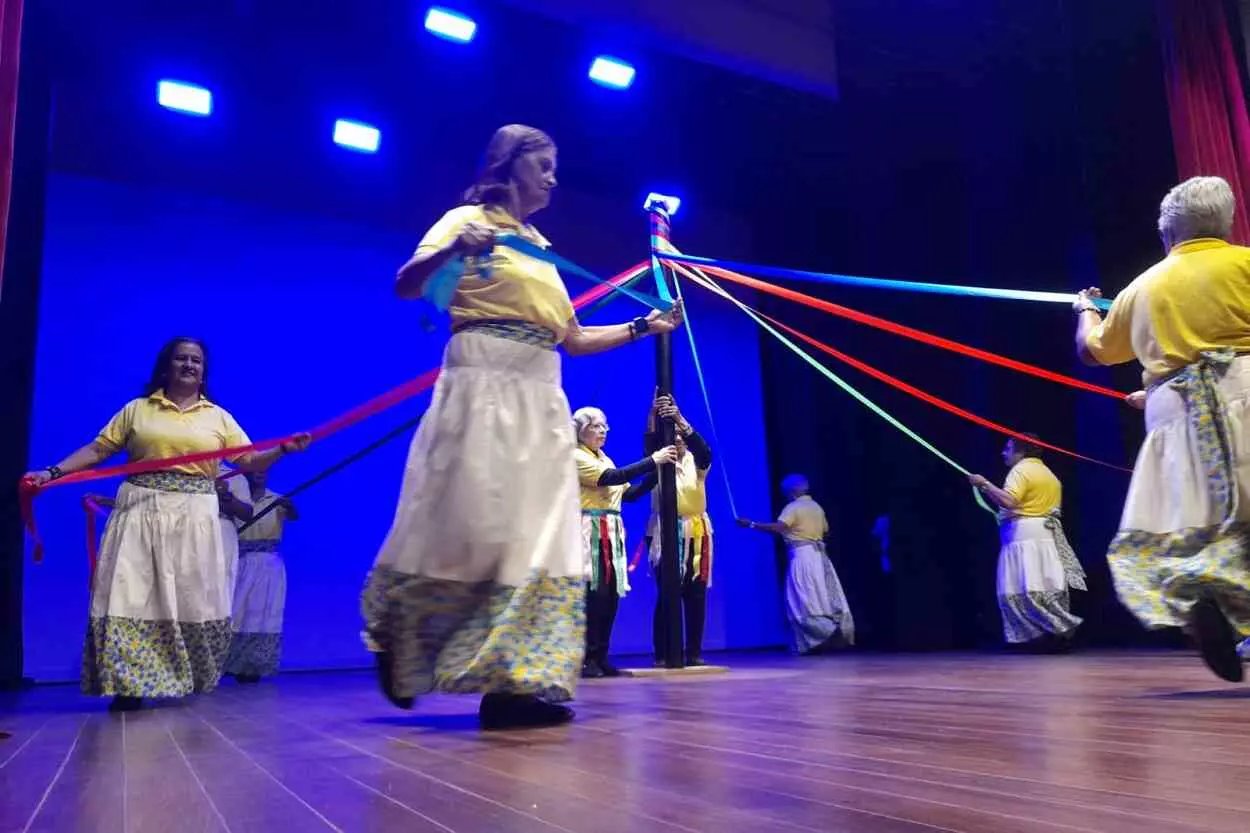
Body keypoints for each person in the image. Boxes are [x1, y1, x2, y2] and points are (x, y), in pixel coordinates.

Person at [361, 124, 684, 729]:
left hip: (542, 393)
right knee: (471, 522)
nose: (554, 178)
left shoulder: (537, 245)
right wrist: (457, 251)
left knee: (535, 538)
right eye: (545, 165)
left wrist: (646, 326)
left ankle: (512, 687)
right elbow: (408, 283)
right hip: (484, 380)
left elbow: (576, 337)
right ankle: (401, 638)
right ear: (510, 167)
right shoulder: (465, 221)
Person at [23, 337, 309, 711]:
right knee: (131, 591)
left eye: (196, 360)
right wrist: (52, 472)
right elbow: (98, 449)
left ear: (204, 371)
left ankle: (177, 676)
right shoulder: (138, 410)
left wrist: (282, 449)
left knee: (189, 596)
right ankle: (128, 685)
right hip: (142, 506)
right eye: (181, 358)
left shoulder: (217, 417)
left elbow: (250, 460)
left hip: (195, 515)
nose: (189, 365)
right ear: (166, 366)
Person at [1074, 175, 1250, 681]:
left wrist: (1085, 309)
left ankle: (1200, 597)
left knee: (1189, 524)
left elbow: (1094, 351)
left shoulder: (1144, 285)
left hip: (1175, 412)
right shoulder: (1243, 264)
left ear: (1168, 235)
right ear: (1226, 224)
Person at [574, 407, 676, 678]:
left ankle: (602, 656)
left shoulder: (604, 457)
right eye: (597, 426)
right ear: (581, 431)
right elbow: (611, 478)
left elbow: (630, 494)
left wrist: (660, 471)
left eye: (604, 426)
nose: (603, 431)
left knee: (609, 596)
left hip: (611, 530)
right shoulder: (575, 456)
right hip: (590, 529)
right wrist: (653, 460)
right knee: (595, 595)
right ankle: (588, 659)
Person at [969, 436, 1085, 650]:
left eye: (1008, 448)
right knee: (1046, 584)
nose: (1004, 453)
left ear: (1021, 452)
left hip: (1025, 535)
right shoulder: (1048, 473)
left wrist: (984, 484)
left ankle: (1038, 636)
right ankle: (1055, 633)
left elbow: (1010, 501)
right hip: (1046, 535)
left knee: (1022, 586)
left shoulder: (1021, 470)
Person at [738, 475, 854, 654]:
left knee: (802, 599)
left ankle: (819, 636)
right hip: (820, 558)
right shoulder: (816, 507)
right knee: (821, 596)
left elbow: (779, 527)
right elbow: (826, 531)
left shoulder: (793, 508)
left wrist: (751, 524)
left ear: (790, 491)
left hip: (803, 557)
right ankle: (820, 639)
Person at [644, 393, 714, 666]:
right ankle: (663, 653)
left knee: (696, 593)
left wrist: (679, 418)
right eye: (674, 436)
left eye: (682, 437)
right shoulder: (660, 462)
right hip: (666, 530)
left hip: (696, 530)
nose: (679, 441)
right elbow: (649, 445)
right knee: (668, 592)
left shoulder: (696, 464)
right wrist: (653, 416)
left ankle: (694, 652)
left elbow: (705, 450)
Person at [224, 470, 297, 683]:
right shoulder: (236, 502)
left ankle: (252, 666)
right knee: (236, 612)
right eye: (255, 473)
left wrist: (289, 506)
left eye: (263, 473)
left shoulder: (276, 500)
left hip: (267, 564)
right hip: (241, 560)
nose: (259, 476)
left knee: (261, 613)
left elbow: (294, 515)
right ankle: (228, 663)